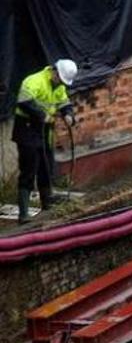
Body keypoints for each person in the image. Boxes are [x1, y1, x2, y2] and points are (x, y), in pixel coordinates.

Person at [12, 60, 76, 224]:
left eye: (63, 82)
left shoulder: (59, 86)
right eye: (60, 79)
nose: (61, 83)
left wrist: (69, 114)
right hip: (27, 128)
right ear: (54, 72)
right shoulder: (34, 80)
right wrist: (42, 115)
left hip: (45, 130)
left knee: (46, 165)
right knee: (29, 168)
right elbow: (24, 101)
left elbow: (64, 102)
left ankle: (47, 204)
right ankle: (23, 214)